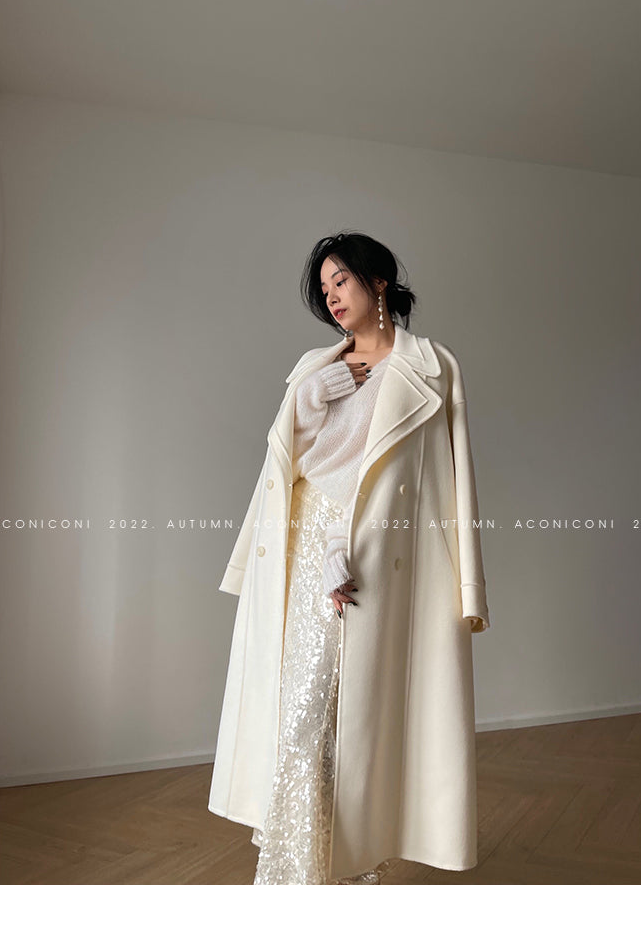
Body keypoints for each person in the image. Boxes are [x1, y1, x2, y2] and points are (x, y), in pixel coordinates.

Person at [208, 231, 490, 884]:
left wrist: (466, 586)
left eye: (342, 280)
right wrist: (312, 397)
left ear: (379, 281)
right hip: (303, 551)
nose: (332, 296)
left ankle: (341, 863)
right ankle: (297, 873)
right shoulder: (315, 367)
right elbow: (290, 466)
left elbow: (452, 482)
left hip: (372, 554)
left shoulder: (432, 367)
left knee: (357, 719)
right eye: (324, 287)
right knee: (301, 711)